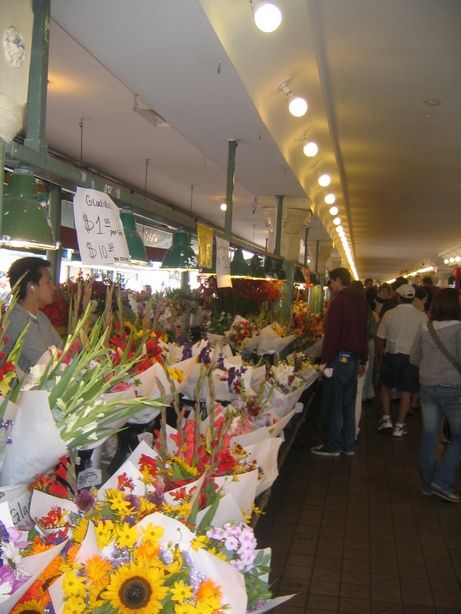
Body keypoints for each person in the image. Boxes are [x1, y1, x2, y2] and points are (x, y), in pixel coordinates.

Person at [410, 288, 461, 503]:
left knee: (429, 436)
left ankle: (427, 485)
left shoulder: (424, 328)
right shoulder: (459, 329)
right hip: (452, 389)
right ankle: (443, 481)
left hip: (427, 389)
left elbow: (414, 358)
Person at [311, 268, 368, 457]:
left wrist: (325, 359)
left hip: (339, 359)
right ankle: (348, 445)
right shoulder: (361, 303)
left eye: (330, 282)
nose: (330, 287)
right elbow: (364, 333)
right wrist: (363, 359)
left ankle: (332, 445)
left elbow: (332, 334)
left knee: (333, 403)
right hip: (354, 359)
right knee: (348, 405)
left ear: (337, 280)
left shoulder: (338, 303)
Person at [375, 284, 427, 437]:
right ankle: (399, 425)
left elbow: (380, 339)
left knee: (386, 387)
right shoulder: (422, 316)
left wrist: (378, 356)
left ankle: (386, 419)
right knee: (406, 392)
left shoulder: (390, 314)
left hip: (392, 355)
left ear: (398, 297)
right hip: (412, 358)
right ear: (413, 299)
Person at [4, 257, 63, 373]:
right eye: (48, 282)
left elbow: (63, 351)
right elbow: (47, 364)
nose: (53, 287)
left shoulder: (41, 318)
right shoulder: (16, 320)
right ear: (31, 286)